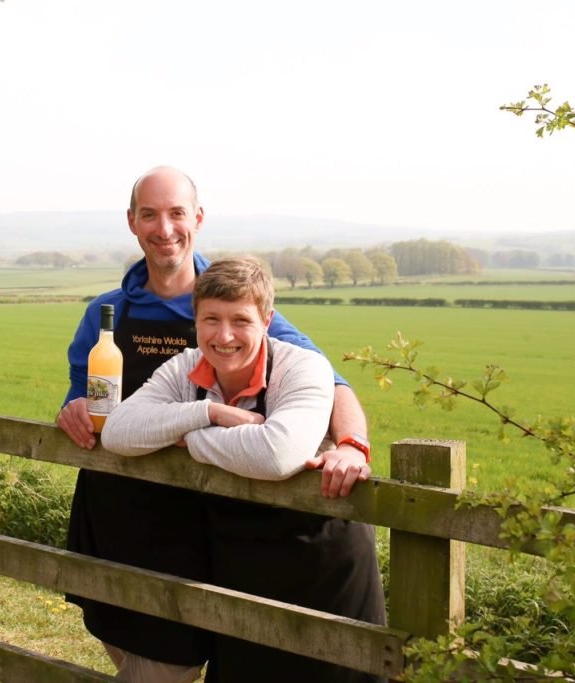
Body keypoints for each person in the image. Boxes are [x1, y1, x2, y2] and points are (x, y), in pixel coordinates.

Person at [56, 166, 374, 681]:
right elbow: (89, 398)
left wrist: (352, 444)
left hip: (201, 521)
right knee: (127, 639)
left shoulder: (231, 300)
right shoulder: (107, 313)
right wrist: (72, 409)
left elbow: (330, 381)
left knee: (174, 658)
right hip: (117, 506)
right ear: (132, 223)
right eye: (150, 215)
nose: (165, 229)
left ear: (197, 219)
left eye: (177, 214)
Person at [102, 256, 385, 682]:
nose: (225, 335)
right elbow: (118, 432)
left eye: (241, 320)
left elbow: (277, 454)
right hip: (242, 560)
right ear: (195, 322)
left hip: (320, 563)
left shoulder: (303, 367)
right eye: (211, 319)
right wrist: (210, 412)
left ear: (267, 320)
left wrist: (186, 438)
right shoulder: (185, 368)